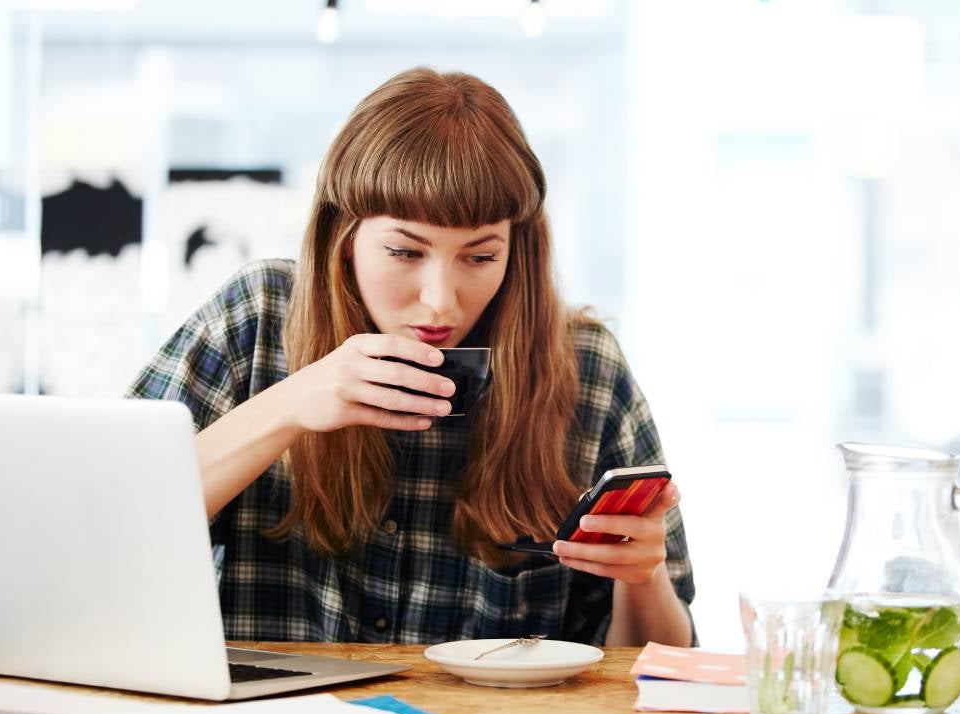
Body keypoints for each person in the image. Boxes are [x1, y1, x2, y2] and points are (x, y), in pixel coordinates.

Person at [127, 67, 695, 647]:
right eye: (404, 251)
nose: (440, 301)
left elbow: (665, 665)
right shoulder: (258, 317)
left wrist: (643, 578)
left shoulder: (586, 368)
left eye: (479, 258)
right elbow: (110, 527)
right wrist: (290, 405)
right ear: (343, 236)